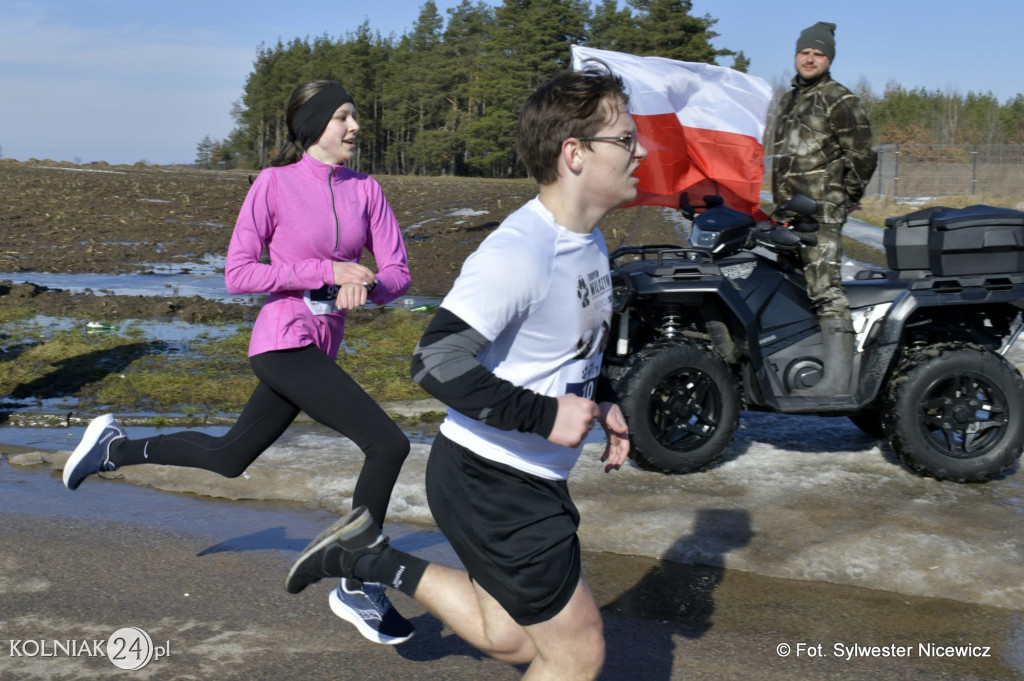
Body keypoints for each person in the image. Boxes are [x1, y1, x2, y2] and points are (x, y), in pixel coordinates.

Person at [283, 66, 640, 679]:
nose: (641, 152)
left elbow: (565, 348)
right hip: (494, 481)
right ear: (574, 153)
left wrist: (600, 397)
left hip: (512, 476)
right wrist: (546, 414)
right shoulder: (520, 251)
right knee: (577, 651)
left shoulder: (590, 241)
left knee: (512, 638)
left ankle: (368, 560)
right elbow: (436, 361)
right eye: (626, 141)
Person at [62, 80, 417, 645]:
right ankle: (356, 577)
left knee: (230, 458)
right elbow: (239, 273)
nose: (354, 127)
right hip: (281, 341)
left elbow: (398, 273)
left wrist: (367, 285)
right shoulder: (274, 185)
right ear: (314, 126)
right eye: (343, 118)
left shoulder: (366, 190)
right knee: (388, 443)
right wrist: (325, 272)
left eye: (354, 117)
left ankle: (114, 449)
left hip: (321, 345)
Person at [770, 21, 877, 396]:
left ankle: (836, 382)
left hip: (820, 214)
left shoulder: (840, 99)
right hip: (788, 211)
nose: (810, 58)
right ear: (796, 55)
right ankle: (801, 365)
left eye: (818, 53)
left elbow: (862, 155)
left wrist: (844, 195)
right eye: (805, 52)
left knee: (824, 288)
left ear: (828, 58)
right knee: (788, 286)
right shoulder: (789, 99)